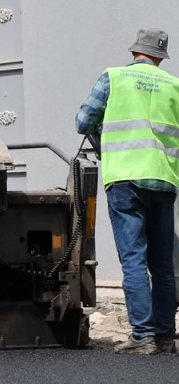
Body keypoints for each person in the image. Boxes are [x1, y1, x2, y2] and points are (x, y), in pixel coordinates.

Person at [76, 29, 179, 355]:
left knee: (134, 259)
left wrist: (101, 133)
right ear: (160, 57)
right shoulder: (174, 85)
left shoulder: (113, 77)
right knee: (162, 265)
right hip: (164, 180)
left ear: (135, 51)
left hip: (125, 180)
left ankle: (142, 336)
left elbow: (83, 121)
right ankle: (165, 337)